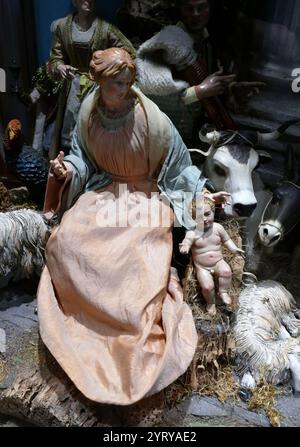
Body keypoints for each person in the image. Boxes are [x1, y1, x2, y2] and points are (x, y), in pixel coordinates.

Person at [38, 48, 229, 406]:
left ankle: (130, 326)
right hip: (105, 190)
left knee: (133, 258)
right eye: (116, 84)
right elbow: (82, 159)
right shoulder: (88, 114)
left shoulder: (151, 119)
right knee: (69, 240)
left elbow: (176, 167)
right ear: (100, 82)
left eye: (128, 83)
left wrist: (199, 194)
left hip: (143, 195)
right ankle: (82, 318)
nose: (124, 89)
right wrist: (68, 171)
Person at [136, 0, 263, 146]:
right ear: (180, 10)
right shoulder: (165, 43)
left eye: (202, 7)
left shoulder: (208, 40)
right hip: (172, 138)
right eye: (189, 8)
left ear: (210, 8)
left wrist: (230, 89)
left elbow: (208, 79)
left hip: (202, 132)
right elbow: (153, 96)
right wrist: (198, 91)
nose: (195, 14)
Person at [48, 0, 135, 159]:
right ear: (74, 1)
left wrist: (109, 69)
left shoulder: (105, 28)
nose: (89, 1)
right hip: (73, 84)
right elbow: (55, 58)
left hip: (98, 85)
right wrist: (60, 67)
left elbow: (129, 52)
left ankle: (97, 164)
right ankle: (70, 164)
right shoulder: (62, 27)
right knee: (71, 122)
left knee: (95, 122)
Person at [179, 196, 244, 316]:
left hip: (218, 262)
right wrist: (185, 247)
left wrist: (234, 249)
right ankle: (211, 303)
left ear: (213, 211)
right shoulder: (192, 233)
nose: (204, 219)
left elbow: (227, 240)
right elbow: (187, 241)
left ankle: (223, 292)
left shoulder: (218, 228)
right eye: (199, 217)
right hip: (202, 267)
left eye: (207, 214)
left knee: (226, 272)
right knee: (207, 287)